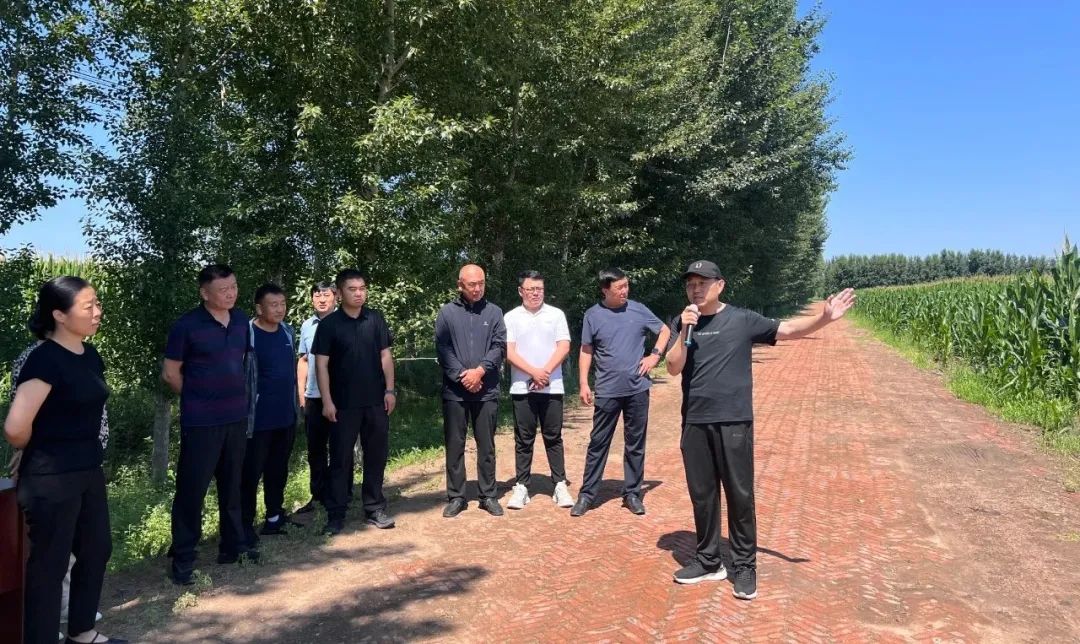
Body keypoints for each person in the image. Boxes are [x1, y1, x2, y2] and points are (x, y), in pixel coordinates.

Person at [665, 260, 855, 599]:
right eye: (690, 284)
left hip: (734, 420)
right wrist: (682, 333)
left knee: (740, 496)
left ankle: (744, 566)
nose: (695, 289)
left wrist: (824, 318)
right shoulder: (683, 321)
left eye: (702, 283)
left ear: (720, 285)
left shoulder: (742, 320)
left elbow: (788, 330)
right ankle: (708, 561)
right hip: (695, 421)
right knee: (703, 496)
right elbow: (672, 367)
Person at [4, 276, 127, 644]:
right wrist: (39, 447)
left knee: (96, 548)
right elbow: (15, 428)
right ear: (59, 314)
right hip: (51, 477)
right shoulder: (44, 359)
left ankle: (81, 632)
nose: (97, 312)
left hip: (88, 470)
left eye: (97, 304)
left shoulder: (90, 355)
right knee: (50, 564)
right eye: (88, 306)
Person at [162, 264, 256, 586]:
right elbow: (170, 373)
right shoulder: (187, 325)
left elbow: (241, 363)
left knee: (233, 485)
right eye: (223, 289)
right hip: (201, 422)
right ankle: (183, 558)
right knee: (192, 490)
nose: (231, 294)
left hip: (236, 417)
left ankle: (233, 546)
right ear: (204, 293)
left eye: (234, 287)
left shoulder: (241, 320)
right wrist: (198, 397)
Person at [571, 268, 671, 517]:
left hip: (637, 389)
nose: (625, 291)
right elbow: (586, 350)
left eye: (626, 285)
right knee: (598, 442)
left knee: (635, 443)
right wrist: (583, 383)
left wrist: (654, 356)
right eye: (620, 287)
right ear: (605, 290)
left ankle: (632, 494)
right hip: (607, 390)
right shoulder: (593, 315)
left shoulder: (638, 310)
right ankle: (587, 495)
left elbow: (665, 331)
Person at [312, 269, 397, 535]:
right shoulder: (329, 325)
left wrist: (390, 390)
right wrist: (327, 401)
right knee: (340, 459)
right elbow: (321, 365)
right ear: (339, 293)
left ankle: (374, 507)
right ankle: (336, 514)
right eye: (352, 289)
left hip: (376, 401)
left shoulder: (375, 319)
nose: (359, 293)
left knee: (376, 455)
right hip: (342, 404)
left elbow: (385, 355)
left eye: (362, 288)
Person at [436, 264, 506, 518]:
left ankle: (488, 495)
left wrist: (480, 371)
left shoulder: (494, 312)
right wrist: (462, 375)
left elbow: (499, 346)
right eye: (472, 284)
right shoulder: (447, 313)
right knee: (455, 445)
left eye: (481, 283)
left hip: (486, 389)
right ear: (460, 285)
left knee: (486, 445)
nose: (477, 288)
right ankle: (457, 496)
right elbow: (442, 348)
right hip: (455, 392)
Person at [503, 270, 575, 510]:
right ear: (520, 291)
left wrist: (544, 372)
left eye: (539, 289)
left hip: (552, 387)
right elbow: (509, 351)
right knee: (523, 439)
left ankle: (559, 484)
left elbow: (564, 346)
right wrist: (533, 372)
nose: (535, 293)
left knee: (553, 437)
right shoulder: (511, 317)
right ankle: (522, 485)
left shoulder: (556, 315)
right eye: (531, 289)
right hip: (521, 388)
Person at [240, 284, 300, 548]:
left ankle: (275, 518)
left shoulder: (287, 331)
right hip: (256, 420)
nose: (279, 309)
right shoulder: (247, 334)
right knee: (250, 473)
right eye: (273, 305)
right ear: (259, 308)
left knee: (278, 470)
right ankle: (244, 526)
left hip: (285, 415)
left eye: (282, 304)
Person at [294, 282, 340, 514]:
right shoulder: (307, 326)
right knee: (316, 450)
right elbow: (303, 360)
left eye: (326, 295)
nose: (322, 299)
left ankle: (340, 493)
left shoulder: (344, 322)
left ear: (335, 297)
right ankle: (318, 496)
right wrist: (302, 395)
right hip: (313, 397)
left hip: (340, 397)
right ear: (311, 299)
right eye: (317, 295)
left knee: (340, 447)